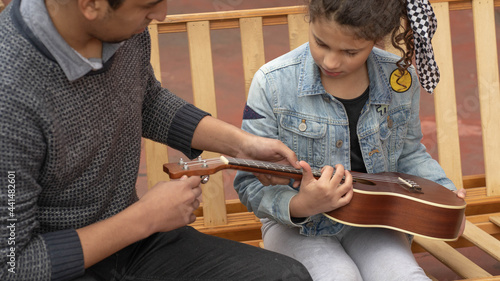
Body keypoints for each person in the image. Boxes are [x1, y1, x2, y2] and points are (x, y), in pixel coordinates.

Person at [0, 0, 314, 280]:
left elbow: (146, 100)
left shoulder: (125, 30)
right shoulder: (10, 93)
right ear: (90, 5)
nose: (162, 14)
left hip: (134, 244)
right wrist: (145, 218)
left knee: (287, 276)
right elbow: (12, 263)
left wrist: (243, 146)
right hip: (60, 263)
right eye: (149, 4)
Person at [234, 0, 467, 280]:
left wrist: (444, 195)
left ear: (376, 39)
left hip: (374, 221)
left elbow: (409, 154)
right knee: (339, 276)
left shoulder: (400, 78)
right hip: (296, 225)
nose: (331, 61)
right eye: (321, 43)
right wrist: (300, 206)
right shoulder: (272, 82)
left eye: (350, 51)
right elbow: (249, 181)